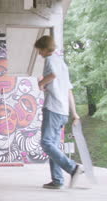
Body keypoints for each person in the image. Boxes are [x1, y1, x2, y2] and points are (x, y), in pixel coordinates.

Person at [35, 35, 83, 189]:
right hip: (63, 112)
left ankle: (72, 168)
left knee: (46, 142)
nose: (39, 54)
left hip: (53, 108)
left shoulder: (50, 60)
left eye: (39, 50)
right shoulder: (62, 63)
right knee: (53, 145)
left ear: (44, 48)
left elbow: (52, 75)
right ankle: (57, 180)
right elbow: (68, 90)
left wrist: (41, 83)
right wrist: (74, 113)